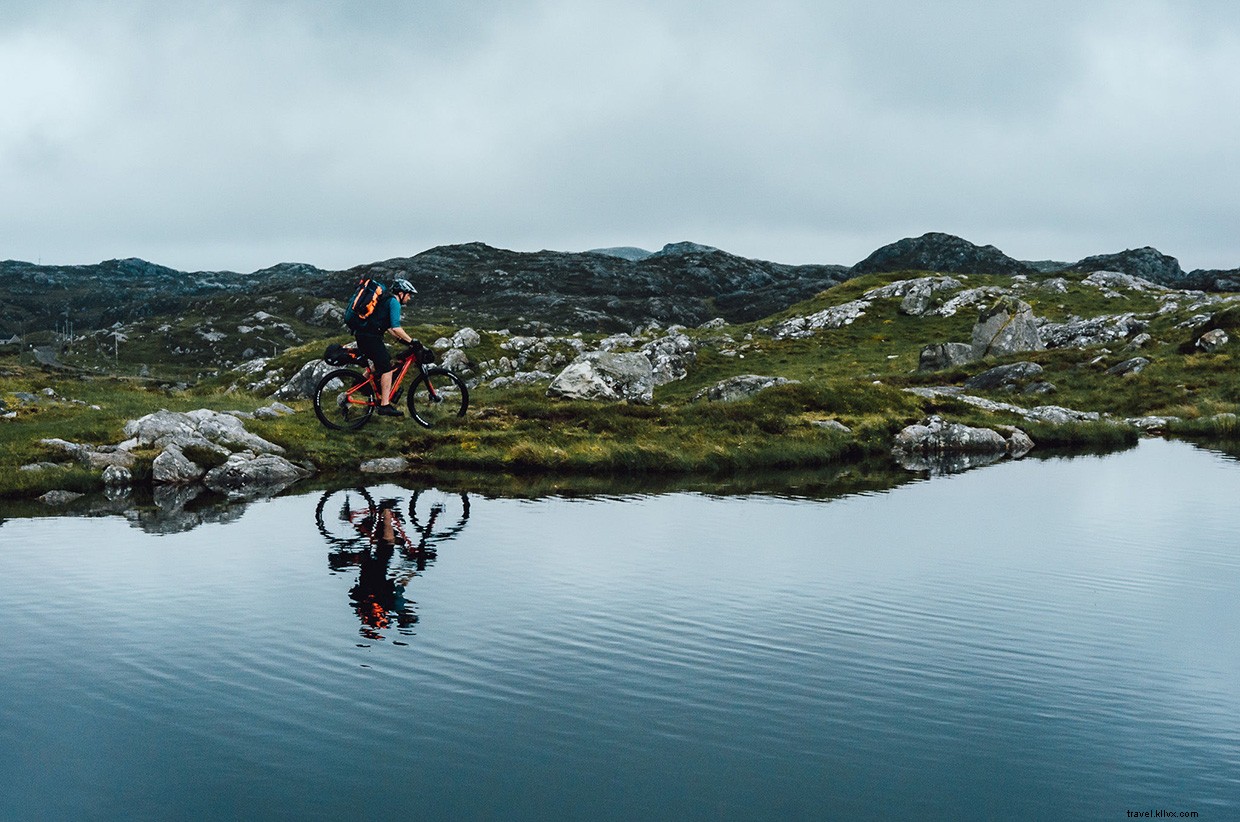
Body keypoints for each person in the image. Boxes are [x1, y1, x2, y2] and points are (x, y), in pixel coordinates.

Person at [353, 278, 418, 416]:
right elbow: (396, 327)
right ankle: (385, 405)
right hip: (370, 338)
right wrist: (412, 341)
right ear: (401, 293)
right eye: (409, 294)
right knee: (386, 369)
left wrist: (402, 340)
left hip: (363, 336)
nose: (410, 298)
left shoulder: (386, 300)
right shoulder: (394, 303)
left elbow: (388, 327)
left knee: (382, 360)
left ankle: (360, 385)